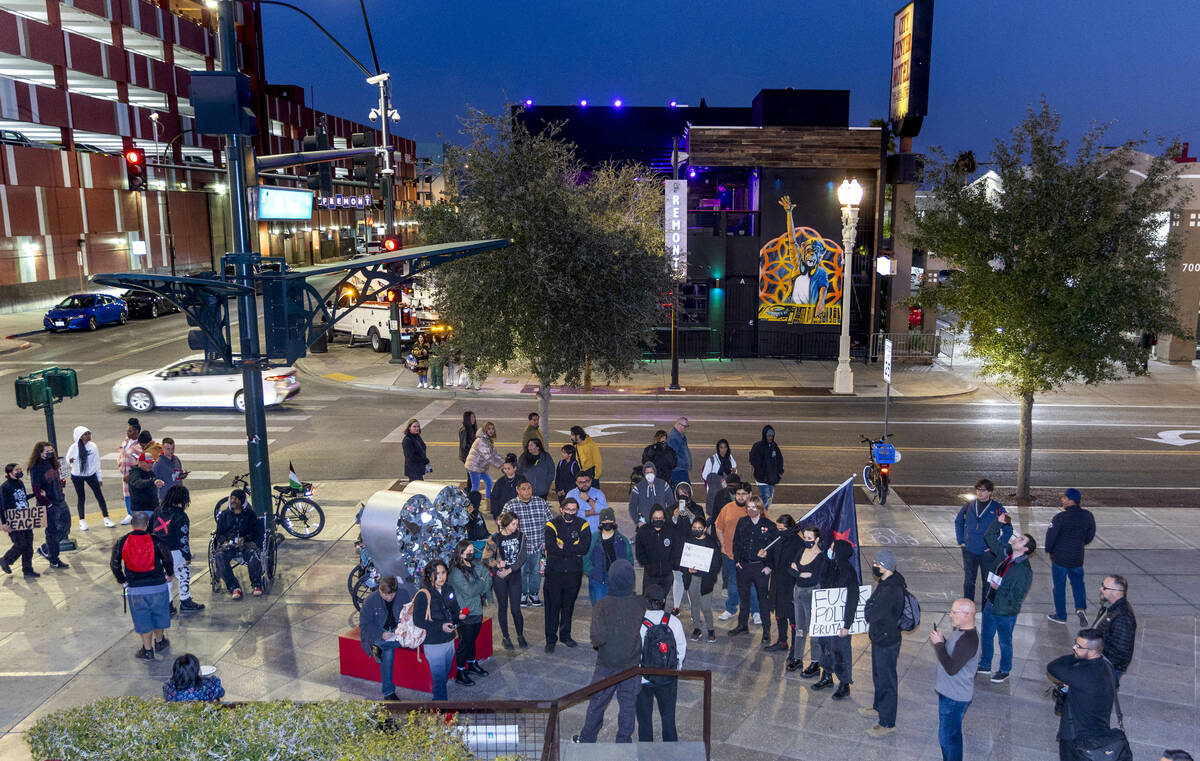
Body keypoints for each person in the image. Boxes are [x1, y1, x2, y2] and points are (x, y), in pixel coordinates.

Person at [573, 559, 642, 744]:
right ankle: (624, 740)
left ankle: (587, 738)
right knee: (628, 705)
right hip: (632, 666)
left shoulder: (602, 605)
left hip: (606, 664)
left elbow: (597, 638)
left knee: (597, 703)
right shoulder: (639, 603)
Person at [110, 510, 174, 659]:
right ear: (147, 524)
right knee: (159, 615)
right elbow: (167, 558)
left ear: (132, 524)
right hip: (157, 586)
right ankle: (159, 642)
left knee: (142, 619)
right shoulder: (156, 540)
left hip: (135, 589)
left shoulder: (122, 541)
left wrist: (122, 579)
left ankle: (147, 650)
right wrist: (169, 574)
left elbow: (114, 564)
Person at [978, 514, 1034, 683]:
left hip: (1005, 611)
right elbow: (989, 537)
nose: (1016, 539)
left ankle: (1004, 669)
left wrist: (998, 588)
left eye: (1021, 540)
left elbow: (1017, 595)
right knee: (986, 636)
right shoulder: (1006, 554)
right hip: (991, 604)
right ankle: (985, 664)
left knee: (1004, 641)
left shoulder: (1024, 570)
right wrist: (998, 522)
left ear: (1025, 549)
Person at [1046, 629, 1117, 761]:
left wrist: (1076, 657)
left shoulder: (1080, 674)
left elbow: (1052, 666)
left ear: (1092, 651)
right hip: (1100, 732)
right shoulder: (1108, 666)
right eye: (1075, 643)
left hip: (1076, 737)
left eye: (1079, 646)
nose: (1074, 648)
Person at [861, 549, 907, 737]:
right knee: (879, 675)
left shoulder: (891, 589)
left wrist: (869, 606)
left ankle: (887, 722)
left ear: (885, 566)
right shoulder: (887, 581)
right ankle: (878, 707)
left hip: (887, 640)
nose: (874, 566)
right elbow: (872, 606)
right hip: (880, 637)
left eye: (876, 563)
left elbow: (871, 614)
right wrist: (871, 605)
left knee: (887, 680)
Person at [929, 599, 980, 761]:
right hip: (952, 693)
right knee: (953, 735)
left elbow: (951, 668)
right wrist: (944, 642)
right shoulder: (962, 631)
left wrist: (938, 645)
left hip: (954, 697)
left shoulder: (968, 641)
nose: (950, 615)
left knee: (947, 739)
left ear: (966, 614)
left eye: (953, 612)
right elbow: (954, 657)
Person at [636, 584, 687, 742]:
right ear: (663, 601)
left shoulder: (638, 622)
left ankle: (646, 753)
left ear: (645, 601)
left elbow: (634, 651)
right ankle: (670, 751)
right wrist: (675, 669)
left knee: (644, 721)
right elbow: (681, 647)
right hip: (668, 678)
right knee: (668, 719)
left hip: (643, 679)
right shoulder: (674, 622)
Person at [543, 496, 591, 652]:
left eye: (573, 510)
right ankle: (551, 640)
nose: (570, 512)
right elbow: (551, 548)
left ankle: (565, 635)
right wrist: (572, 548)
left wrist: (564, 546)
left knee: (568, 606)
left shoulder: (583, 525)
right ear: (561, 509)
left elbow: (584, 548)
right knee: (552, 607)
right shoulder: (551, 524)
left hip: (573, 574)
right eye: (568, 509)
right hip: (554, 574)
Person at [412, 559, 465, 701]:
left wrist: (459, 615)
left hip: (449, 640)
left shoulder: (448, 588)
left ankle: (438, 699)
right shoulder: (424, 594)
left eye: (443, 573)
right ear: (429, 575)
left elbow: (454, 608)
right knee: (440, 679)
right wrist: (439, 626)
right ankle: (442, 710)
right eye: (437, 574)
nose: (441, 577)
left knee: (445, 672)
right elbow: (417, 620)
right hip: (433, 642)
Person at [812, 539, 858, 700]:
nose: (830, 550)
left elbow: (853, 599)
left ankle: (844, 684)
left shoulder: (848, 571)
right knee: (825, 648)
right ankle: (827, 676)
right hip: (827, 620)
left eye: (832, 548)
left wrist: (847, 625)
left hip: (840, 623)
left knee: (840, 652)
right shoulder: (830, 566)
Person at [1045, 488, 1096, 626]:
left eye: (1064, 498)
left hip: (1060, 559)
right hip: (1077, 558)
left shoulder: (1060, 518)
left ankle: (1061, 615)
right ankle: (1080, 608)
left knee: (1059, 587)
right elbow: (1090, 535)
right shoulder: (1088, 516)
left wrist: (1049, 550)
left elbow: (1051, 537)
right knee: (1078, 584)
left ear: (1070, 500)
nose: (1062, 500)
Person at [358, 575, 414, 700]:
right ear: (379, 590)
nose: (389, 598)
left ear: (396, 591)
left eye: (392, 595)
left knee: (392, 645)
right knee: (388, 653)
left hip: (397, 632)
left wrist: (405, 629)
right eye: (385, 595)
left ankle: (379, 648)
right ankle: (389, 693)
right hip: (378, 633)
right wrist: (380, 634)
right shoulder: (370, 601)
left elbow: (409, 615)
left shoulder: (403, 595)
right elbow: (364, 624)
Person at [151, 485, 204, 613]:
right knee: (183, 574)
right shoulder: (181, 515)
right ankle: (185, 601)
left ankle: (168, 604)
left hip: (158, 550)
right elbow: (182, 539)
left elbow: (149, 530)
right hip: (174, 551)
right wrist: (187, 555)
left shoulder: (158, 511)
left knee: (166, 577)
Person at [731, 496, 777, 643]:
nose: (751, 510)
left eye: (754, 508)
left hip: (760, 568)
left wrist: (769, 565)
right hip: (744, 566)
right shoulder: (742, 522)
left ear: (760, 509)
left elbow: (775, 548)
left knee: (763, 601)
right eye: (748, 507)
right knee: (743, 599)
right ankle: (742, 624)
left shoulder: (769, 525)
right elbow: (736, 542)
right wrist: (737, 561)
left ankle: (766, 630)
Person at [954, 478, 1007, 605]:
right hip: (969, 550)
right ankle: (968, 606)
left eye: (983, 490)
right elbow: (958, 521)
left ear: (989, 492)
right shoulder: (968, 506)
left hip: (987, 553)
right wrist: (961, 540)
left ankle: (986, 608)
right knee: (968, 581)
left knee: (987, 582)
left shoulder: (999, 509)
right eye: (978, 490)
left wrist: (996, 546)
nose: (979, 492)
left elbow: (1009, 529)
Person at [714, 484, 760, 623]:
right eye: (738, 494)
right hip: (731, 555)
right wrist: (723, 544)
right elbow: (718, 527)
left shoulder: (756, 509)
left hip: (751, 557)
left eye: (744, 494)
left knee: (752, 584)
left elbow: (765, 527)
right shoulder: (727, 508)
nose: (740, 496)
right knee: (733, 583)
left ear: (750, 494)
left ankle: (755, 611)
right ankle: (731, 608)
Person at [503, 479, 551, 607]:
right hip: (520, 549)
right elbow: (503, 526)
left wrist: (546, 542)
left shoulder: (541, 503)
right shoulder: (510, 505)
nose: (527, 491)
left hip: (538, 545)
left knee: (536, 571)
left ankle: (534, 593)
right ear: (518, 490)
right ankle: (523, 594)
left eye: (529, 488)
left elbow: (550, 524)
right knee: (521, 572)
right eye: (524, 489)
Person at [448, 539, 490, 685]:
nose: (472, 553)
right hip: (465, 612)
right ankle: (460, 672)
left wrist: (481, 584)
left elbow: (483, 589)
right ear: (460, 554)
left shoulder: (473, 566)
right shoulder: (456, 573)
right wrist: (482, 582)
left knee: (472, 640)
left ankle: (471, 664)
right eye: (469, 551)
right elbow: (470, 590)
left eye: (473, 551)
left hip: (476, 609)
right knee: (465, 643)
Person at [483, 512, 527, 649]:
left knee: (516, 609)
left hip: (514, 575)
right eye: (513, 524)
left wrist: (510, 569)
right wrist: (496, 564)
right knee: (502, 607)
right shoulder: (495, 538)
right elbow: (485, 559)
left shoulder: (520, 536)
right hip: (500, 577)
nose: (516, 526)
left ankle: (520, 635)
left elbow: (522, 556)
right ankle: (505, 637)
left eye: (517, 524)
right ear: (506, 524)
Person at [787, 525, 827, 676]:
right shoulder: (801, 550)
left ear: (817, 539)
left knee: (813, 631)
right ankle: (798, 658)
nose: (806, 540)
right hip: (798, 592)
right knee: (799, 629)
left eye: (810, 538)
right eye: (805, 537)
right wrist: (801, 574)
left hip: (811, 595)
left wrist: (797, 571)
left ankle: (815, 662)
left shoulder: (821, 557)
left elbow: (814, 578)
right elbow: (790, 569)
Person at [213, 489, 264, 599]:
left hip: (246, 543)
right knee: (219, 556)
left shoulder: (250, 515)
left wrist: (244, 539)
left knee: (253, 552)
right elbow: (219, 534)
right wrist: (224, 542)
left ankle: (256, 584)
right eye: (231, 498)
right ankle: (233, 587)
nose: (233, 501)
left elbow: (255, 533)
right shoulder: (224, 515)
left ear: (241, 501)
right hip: (229, 544)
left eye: (236, 499)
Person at [679, 515, 721, 642]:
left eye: (699, 528)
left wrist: (706, 570)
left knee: (706, 606)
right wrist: (687, 569)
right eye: (694, 527)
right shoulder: (688, 541)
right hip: (692, 579)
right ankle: (697, 628)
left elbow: (717, 563)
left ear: (705, 529)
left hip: (706, 580)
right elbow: (681, 560)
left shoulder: (711, 543)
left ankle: (711, 629)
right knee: (694, 604)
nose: (696, 530)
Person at [28, 441, 69, 569]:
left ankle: (46, 548)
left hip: (60, 500)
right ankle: (54, 559)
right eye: (48, 452)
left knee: (66, 526)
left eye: (52, 451)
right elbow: (36, 489)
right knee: (52, 531)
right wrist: (48, 503)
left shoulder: (52, 463)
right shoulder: (37, 468)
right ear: (40, 453)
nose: (51, 453)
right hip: (50, 504)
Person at [1092, 574, 1136, 686]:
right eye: (1102, 585)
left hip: (1106, 668)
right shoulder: (1109, 606)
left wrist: (1093, 656)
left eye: (1104, 588)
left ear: (1116, 592)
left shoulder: (1122, 616)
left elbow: (1120, 652)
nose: (1100, 589)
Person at [764, 513, 799, 653]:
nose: (779, 532)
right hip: (777, 583)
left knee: (793, 618)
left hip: (790, 586)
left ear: (790, 528)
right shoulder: (778, 540)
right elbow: (773, 559)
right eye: (778, 529)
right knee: (779, 614)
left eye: (782, 529)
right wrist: (766, 558)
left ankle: (795, 647)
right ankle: (782, 641)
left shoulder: (798, 544)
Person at [584, 507, 633, 605]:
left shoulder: (622, 540)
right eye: (604, 520)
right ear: (600, 523)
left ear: (614, 522)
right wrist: (593, 572)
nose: (607, 522)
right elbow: (585, 559)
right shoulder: (593, 539)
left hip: (617, 580)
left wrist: (624, 575)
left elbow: (629, 560)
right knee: (599, 609)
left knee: (618, 609)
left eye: (610, 520)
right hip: (598, 580)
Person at [67, 425, 113, 530]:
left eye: (89, 434)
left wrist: (99, 478)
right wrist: (71, 461)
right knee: (81, 498)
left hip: (91, 475)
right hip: (77, 476)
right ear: (80, 436)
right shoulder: (74, 447)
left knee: (99, 496)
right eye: (85, 434)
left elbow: (97, 462)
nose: (88, 436)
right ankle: (82, 521)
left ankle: (106, 518)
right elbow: (67, 460)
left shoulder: (93, 446)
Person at [669, 482, 705, 614]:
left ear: (690, 493)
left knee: (692, 580)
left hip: (692, 548)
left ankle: (694, 608)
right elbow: (668, 527)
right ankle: (676, 607)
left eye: (685, 492)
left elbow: (701, 526)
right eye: (680, 493)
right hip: (677, 548)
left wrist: (690, 515)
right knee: (678, 578)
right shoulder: (672, 508)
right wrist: (675, 516)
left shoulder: (697, 508)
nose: (683, 495)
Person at [1, 463, 39, 578]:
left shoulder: (20, 483)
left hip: (25, 518)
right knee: (21, 544)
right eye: (17, 470)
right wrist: (4, 523)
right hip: (14, 520)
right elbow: (1, 506)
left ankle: (27, 570)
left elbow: (22, 498)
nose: (20, 471)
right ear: (9, 473)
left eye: (20, 469)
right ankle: (5, 560)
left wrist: (35, 495)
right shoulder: (5, 487)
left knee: (29, 546)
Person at [635, 505, 676, 597]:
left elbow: (675, 549)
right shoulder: (643, 531)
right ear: (651, 518)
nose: (658, 520)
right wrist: (648, 565)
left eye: (661, 518)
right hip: (650, 576)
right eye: (656, 518)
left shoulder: (670, 530)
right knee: (648, 601)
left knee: (662, 601)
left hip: (666, 575)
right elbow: (639, 552)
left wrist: (670, 565)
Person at [465, 421, 503, 503]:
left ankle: (488, 501)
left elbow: (494, 454)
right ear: (485, 430)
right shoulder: (481, 441)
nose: (491, 431)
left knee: (489, 482)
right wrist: (500, 466)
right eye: (489, 429)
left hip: (481, 467)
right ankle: (470, 504)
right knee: (475, 486)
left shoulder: (488, 440)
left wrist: (504, 462)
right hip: (474, 466)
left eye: (492, 429)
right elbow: (488, 457)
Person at [748, 425, 784, 509]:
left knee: (769, 499)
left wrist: (780, 472)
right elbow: (754, 460)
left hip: (771, 479)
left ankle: (761, 514)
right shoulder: (758, 447)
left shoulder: (774, 447)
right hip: (762, 480)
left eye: (772, 436)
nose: (770, 437)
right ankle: (758, 514)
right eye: (769, 436)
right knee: (766, 498)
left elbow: (780, 460)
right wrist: (760, 474)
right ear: (765, 435)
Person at [628, 462, 669, 528]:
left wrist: (667, 519)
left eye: (651, 472)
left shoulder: (663, 485)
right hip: (644, 523)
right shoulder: (638, 488)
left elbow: (671, 503)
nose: (649, 474)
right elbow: (632, 506)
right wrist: (637, 521)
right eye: (647, 472)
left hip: (660, 523)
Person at [117, 417, 142, 523]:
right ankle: (130, 514)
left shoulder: (139, 445)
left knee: (135, 494)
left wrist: (132, 474)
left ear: (136, 432)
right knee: (127, 495)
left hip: (134, 475)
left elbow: (140, 462)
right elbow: (121, 454)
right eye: (128, 430)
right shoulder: (126, 441)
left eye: (130, 431)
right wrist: (120, 465)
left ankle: (136, 514)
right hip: (125, 474)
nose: (128, 432)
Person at [489, 455, 520, 521]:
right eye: (505, 469)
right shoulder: (500, 482)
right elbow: (494, 498)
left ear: (515, 468)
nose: (506, 471)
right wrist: (496, 515)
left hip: (518, 513)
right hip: (504, 515)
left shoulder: (521, 480)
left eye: (508, 468)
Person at [666, 417, 691, 487]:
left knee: (685, 491)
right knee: (683, 491)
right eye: (685, 426)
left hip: (680, 470)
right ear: (679, 425)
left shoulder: (679, 436)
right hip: (678, 471)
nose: (686, 428)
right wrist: (684, 464)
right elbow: (672, 456)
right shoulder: (674, 438)